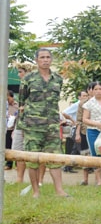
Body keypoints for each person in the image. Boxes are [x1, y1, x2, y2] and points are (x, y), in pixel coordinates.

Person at [18, 48, 69, 198]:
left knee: (55, 158)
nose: (45, 60)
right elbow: (22, 103)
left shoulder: (58, 79)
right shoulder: (28, 79)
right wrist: (23, 127)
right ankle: (36, 192)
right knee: (32, 160)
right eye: (42, 57)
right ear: (37, 60)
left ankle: (59, 191)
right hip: (33, 126)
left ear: (51, 60)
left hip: (52, 125)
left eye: (48, 57)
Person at [61, 91, 88, 173]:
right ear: (79, 97)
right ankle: (67, 166)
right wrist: (73, 121)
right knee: (75, 148)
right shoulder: (77, 105)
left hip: (81, 128)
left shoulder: (85, 104)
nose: (85, 97)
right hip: (76, 128)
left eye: (86, 95)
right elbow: (64, 112)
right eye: (83, 96)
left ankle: (69, 166)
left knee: (76, 148)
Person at [76, 83, 93, 185]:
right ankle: (85, 179)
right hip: (84, 131)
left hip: (97, 132)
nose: (93, 91)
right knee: (84, 155)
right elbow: (78, 120)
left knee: (97, 155)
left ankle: (98, 180)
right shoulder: (82, 104)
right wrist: (77, 133)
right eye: (91, 89)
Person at [4, 90, 18, 170]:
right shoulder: (4, 105)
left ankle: (17, 164)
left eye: (8, 98)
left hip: (15, 128)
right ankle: (9, 164)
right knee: (8, 146)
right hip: (7, 129)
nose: (7, 100)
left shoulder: (17, 106)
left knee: (16, 146)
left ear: (12, 97)